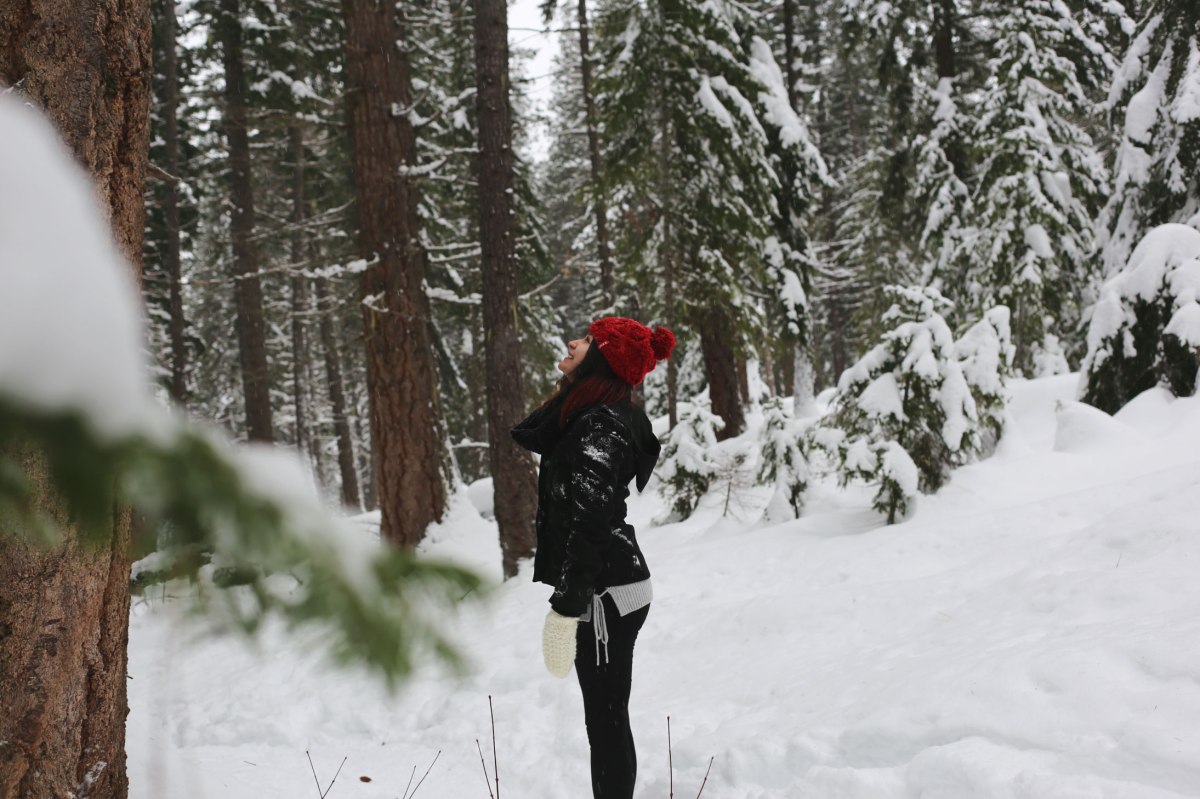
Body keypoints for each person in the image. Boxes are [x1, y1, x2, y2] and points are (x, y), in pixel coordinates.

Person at [510, 316, 676, 799]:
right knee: (604, 719)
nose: (572, 341)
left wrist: (567, 607)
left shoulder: (601, 424)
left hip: (605, 593)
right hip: (601, 585)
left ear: (604, 357)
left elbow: (593, 520)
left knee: (605, 724)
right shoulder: (589, 415)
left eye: (586, 340)